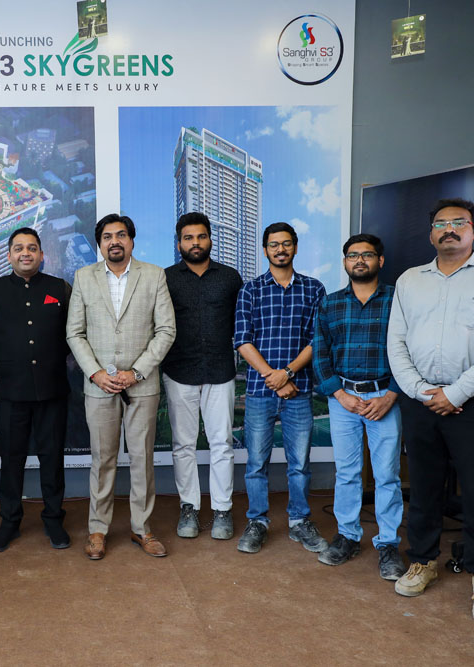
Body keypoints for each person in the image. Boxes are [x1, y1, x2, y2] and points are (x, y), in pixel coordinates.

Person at [388, 198, 474, 627]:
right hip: (421, 401)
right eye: (440, 223)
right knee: (423, 488)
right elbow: (397, 342)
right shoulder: (410, 280)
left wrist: (456, 392)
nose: (449, 229)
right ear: (431, 233)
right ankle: (423, 560)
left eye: (458, 222)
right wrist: (420, 391)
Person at [66, 214, 176, 560]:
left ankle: (142, 528)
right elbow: (74, 333)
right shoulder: (84, 277)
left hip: (141, 385)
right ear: (99, 244)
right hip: (99, 386)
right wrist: (96, 373)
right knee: (103, 459)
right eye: (107, 236)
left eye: (121, 235)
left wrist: (137, 372)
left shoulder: (154, 275)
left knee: (142, 459)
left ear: (131, 241)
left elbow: (166, 330)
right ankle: (97, 530)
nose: (114, 241)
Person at [312, 233, 406, 580]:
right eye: (353, 255)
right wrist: (340, 395)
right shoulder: (331, 304)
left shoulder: (399, 300)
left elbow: (412, 350)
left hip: (385, 398)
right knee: (348, 473)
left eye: (367, 255)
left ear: (380, 261)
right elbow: (320, 353)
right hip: (344, 401)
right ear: (345, 262)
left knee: (387, 475)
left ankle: (388, 544)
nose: (359, 261)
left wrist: (391, 395)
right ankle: (348, 536)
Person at [0, 227, 72, 552]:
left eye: (31, 248)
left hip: (52, 389)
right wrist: (9, 357)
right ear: (9, 255)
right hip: (12, 392)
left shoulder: (60, 288)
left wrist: (51, 355)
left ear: (41, 254)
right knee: (11, 459)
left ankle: (54, 519)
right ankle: (9, 522)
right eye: (18, 248)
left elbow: (74, 331)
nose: (25, 253)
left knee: (52, 458)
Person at [234, 222, 327, 555]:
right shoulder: (251, 290)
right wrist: (272, 377)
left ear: (295, 247)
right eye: (273, 244)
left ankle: (299, 521)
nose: (280, 249)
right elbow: (242, 340)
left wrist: (287, 374)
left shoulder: (313, 289)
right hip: (260, 392)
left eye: (286, 243)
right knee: (256, 464)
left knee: (299, 464)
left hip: (298, 391)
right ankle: (257, 522)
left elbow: (318, 340)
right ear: (265, 250)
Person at [162, 212, 243, 540]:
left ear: (210, 238)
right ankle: (189, 508)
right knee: (183, 444)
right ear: (179, 243)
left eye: (201, 236)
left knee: (221, 443)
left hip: (220, 370)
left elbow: (241, 324)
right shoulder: (165, 278)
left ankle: (222, 509)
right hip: (178, 371)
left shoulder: (230, 277)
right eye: (188, 238)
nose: (195, 243)